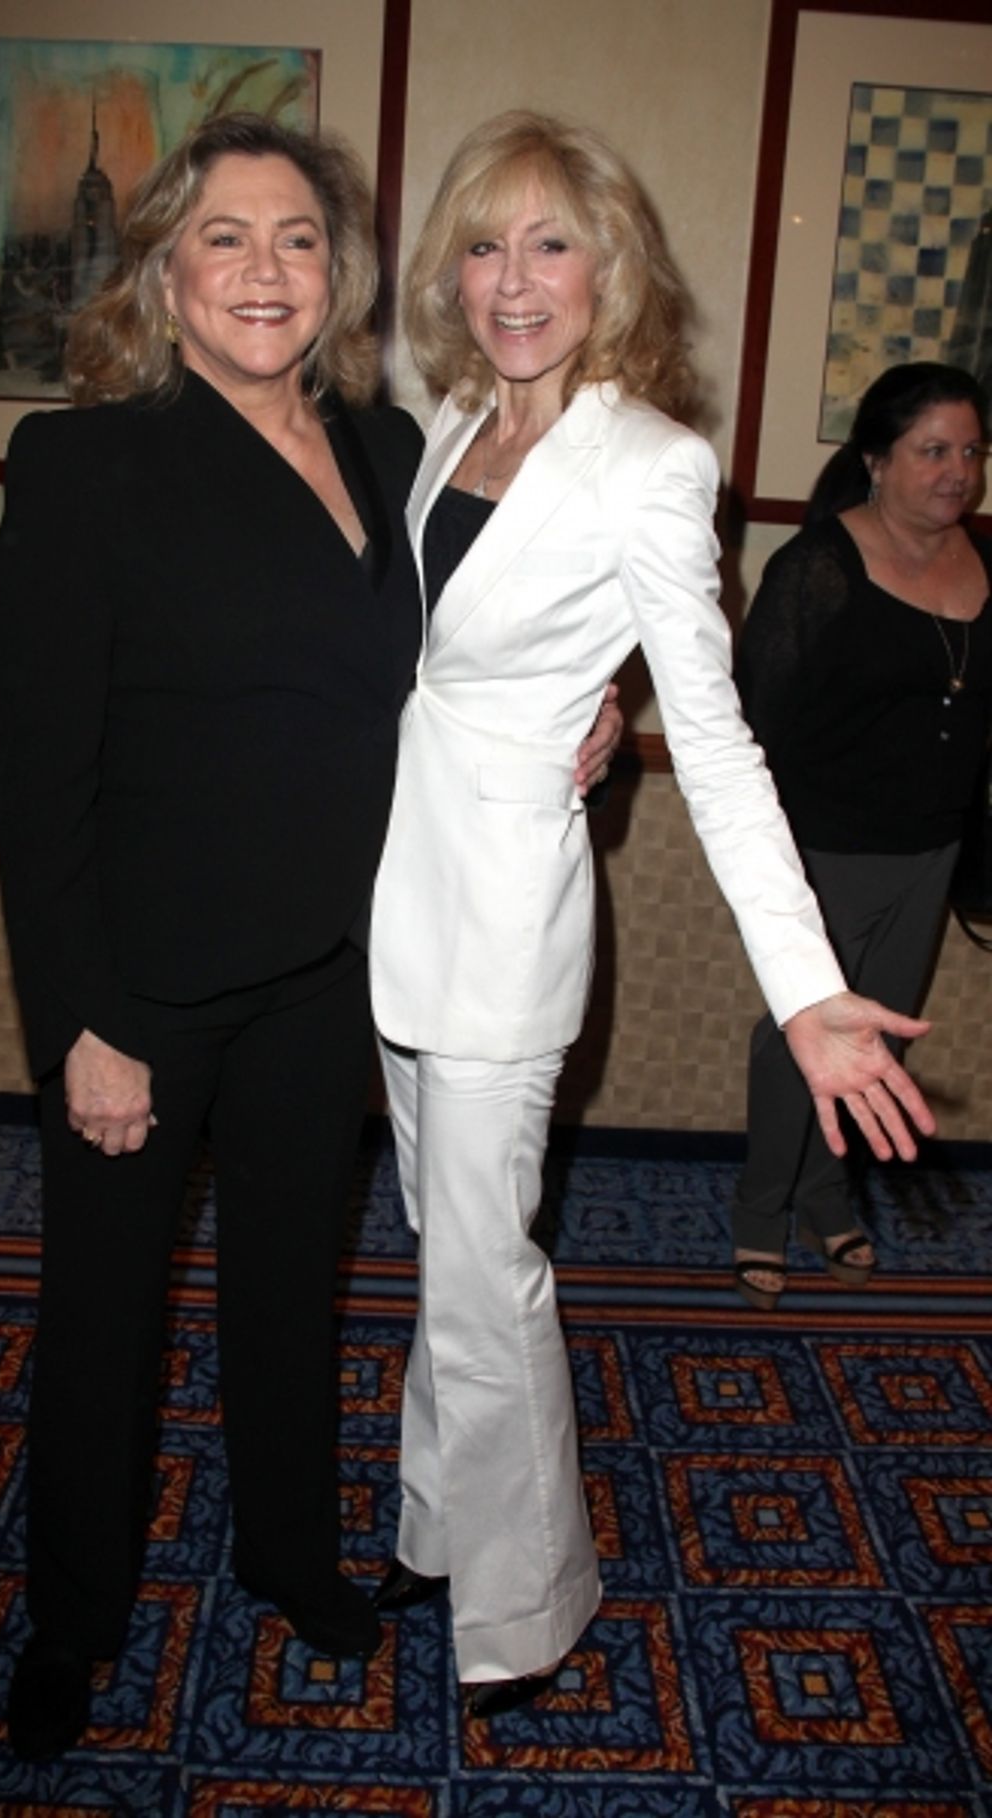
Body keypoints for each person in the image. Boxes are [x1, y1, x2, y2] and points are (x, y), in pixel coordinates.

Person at [364, 110, 938, 1717]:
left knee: (492, 1280)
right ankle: (432, 1523)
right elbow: (432, 666)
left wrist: (809, 985)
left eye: (550, 243)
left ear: (609, 270)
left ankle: (528, 1607)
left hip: (500, 933)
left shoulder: (652, 466)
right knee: (444, 1251)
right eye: (483, 244)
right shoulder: (449, 424)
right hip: (392, 911)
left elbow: (726, 734)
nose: (513, 278)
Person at [0, 112, 429, 1763]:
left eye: (297, 236)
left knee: (289, 1294)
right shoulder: (86, 462)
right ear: (168, 268)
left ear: (340, 270)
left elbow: (466, 662)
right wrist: (81, 1017)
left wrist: (588, 715)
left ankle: (293, 1554)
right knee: (102, 1321)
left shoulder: (390, 449)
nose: (264, 268)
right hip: (146, 991)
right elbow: (37, 775)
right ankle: (74, 1615)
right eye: (226, 236)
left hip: (329, 973)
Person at [732, 362, 990, 1310]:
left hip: (933, 847)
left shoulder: (985, 561)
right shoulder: (819, 569)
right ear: (877, 461)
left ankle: (824, 1196)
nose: (957, 471)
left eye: (971, 451)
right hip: (823, 847)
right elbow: (754, 719)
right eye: (933, 451)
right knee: (798, 1037)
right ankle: (761, 1213)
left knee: (882, 1035)